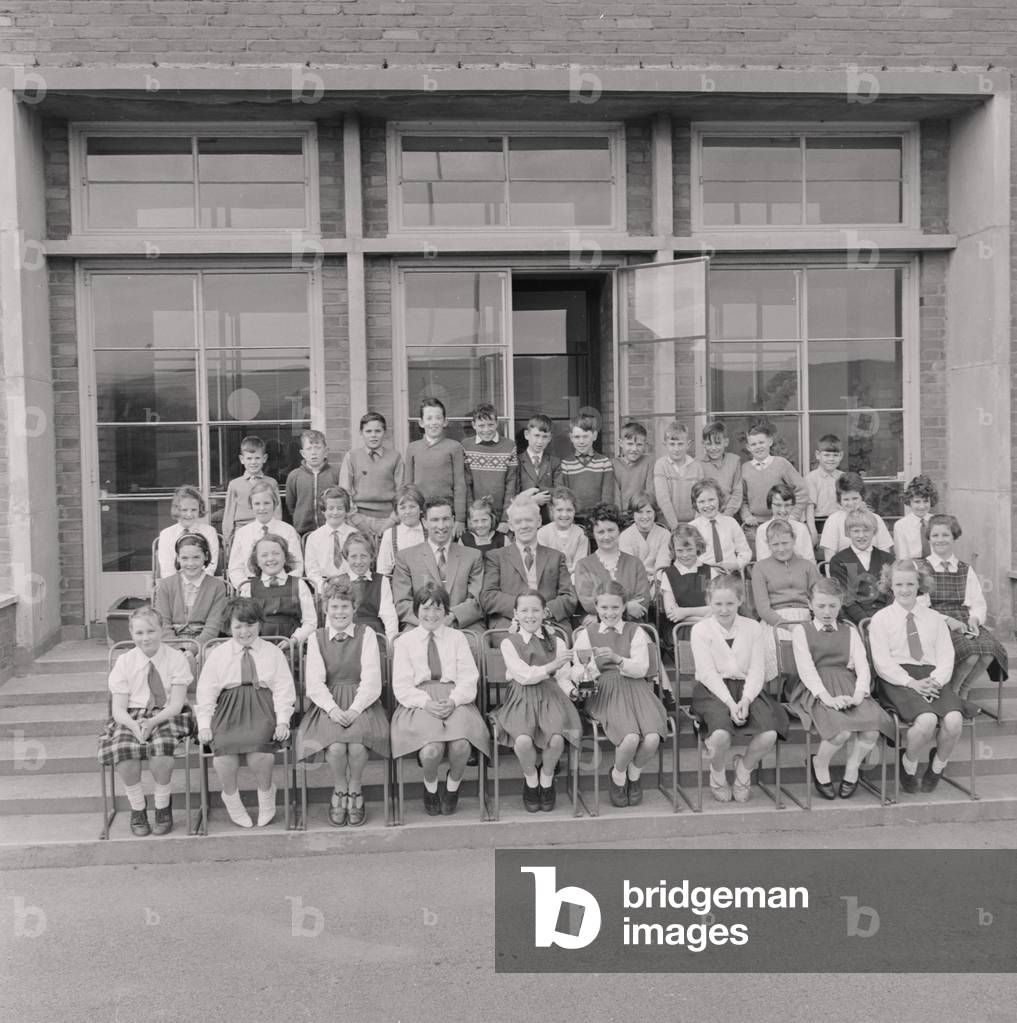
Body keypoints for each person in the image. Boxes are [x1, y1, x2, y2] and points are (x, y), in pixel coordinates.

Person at [868, 559, 976, 794]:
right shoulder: (881, 619)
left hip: (932, 677)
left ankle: (937, 766)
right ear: (890, 586)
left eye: (910, 584)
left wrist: (935, 680)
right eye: (899, 584)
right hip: (898, 678)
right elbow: (882, 662)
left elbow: (946, 656)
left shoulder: (934, 619)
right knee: (926, 721)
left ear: (920, 586)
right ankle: (909, 763)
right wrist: (912, 683)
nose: (905, 589)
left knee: (954, 720)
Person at [390, 582, 491, 816]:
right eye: (425, 608)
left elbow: (468, 677)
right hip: (419, 700)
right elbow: (402, 686)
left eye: (437, 608)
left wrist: (454, 700)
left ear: (446, 611)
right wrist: (426, 702)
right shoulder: (405, 641)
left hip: (454, 697)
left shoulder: (457, 638)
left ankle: (453, 787)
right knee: (431, 750)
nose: (431, 614)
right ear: (417, 611)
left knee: (461, 746)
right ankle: (431, 788)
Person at [787, 578, 893, 799]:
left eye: (833, 606)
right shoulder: (801, 631)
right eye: (821, 606)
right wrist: (827, 698)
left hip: (847, 684)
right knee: (841, 731)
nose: (827, 612)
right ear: (810, 604)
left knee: (871, 728)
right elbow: (806, 670)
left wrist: (858, 694)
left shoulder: (849, 631)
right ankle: (820, 762)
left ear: (840, 603)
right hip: (815, 687)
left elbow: (862, 666)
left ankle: (852, 766)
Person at [295, 580, 390, 827]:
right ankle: (339, 789)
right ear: (326, 608)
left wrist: (356, 709)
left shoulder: (366, 634)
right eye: (335, 606)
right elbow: (314, 682)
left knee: (357, 747)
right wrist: (333, 709)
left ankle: (356, 788)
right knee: (336, 747)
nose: (339, 612)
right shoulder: (317, 638)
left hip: (362, 700)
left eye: (345, 607)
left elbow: (371, 678)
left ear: (354, 608)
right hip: (328, 703)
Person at [195, 598, 296, 828]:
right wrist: (204, 725)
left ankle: (266, 793)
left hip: (262, 705)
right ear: (229, 628)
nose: (244, 631)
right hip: (228, 708)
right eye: (238, 626)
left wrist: (282, 721)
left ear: (259, 624)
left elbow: (283, 689)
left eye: (249, 625)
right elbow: (207, 692)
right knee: (223, 754)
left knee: (260, 752)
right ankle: (231, 798)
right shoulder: (219, 654)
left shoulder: (273, 653)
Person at [690, 575, 790, 803]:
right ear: (709, 601)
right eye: (717, 604)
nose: (724, 610)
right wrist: (730, 703)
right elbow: (707, 673)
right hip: (712, 690)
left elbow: (757, 670)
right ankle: (717, 773)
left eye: (729, 603)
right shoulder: (700, 630)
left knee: (769, 733)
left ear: (740, 601)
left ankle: (744, 769)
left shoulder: (753, 627)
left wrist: (745, 700)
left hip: (747, 688)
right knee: (720, 735)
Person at [97, 607, 195, 836]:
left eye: (151, 631)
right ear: (131, 634)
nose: (146, 637)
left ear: (161, 630)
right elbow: (118, 709)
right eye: (139, 632)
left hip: (168, 713)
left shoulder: (176, 658)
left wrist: (152, 723)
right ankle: (138, 808)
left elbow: (177, 704)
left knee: (161, 751)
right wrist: (134, 725)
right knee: (123, 750)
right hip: (132, 715)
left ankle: (162, 806)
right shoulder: (125, 661)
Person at [572, 581, 667, 808]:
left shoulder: (636, 632)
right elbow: (576, 668)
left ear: (624, 607)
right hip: (606, 689)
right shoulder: (588, 633)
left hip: (636, 686)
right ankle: (617, 776)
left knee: (652, 737)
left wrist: (617, 659)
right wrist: (589, 670)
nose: (610, 613)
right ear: (596, 607)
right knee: (631, 738)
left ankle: (633, 774)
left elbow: (642, 668)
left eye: (615, 607)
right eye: (604, 608)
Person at [490, 590, 581, 813]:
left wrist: (572, 692)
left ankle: (546, 779)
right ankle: (531, 780)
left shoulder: (557, 641)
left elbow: (563, 676)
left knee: (557, 739)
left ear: (544, 612)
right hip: (521, 695)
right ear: (515, 614)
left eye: (535, 610)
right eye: (524, 610)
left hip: (550, 696)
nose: (530, 615)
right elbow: (523, 675)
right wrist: (552, 666)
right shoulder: (509, 643)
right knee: (522, 740)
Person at [923, 514, 1008, 697]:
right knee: (971, 654)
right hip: (936, 621)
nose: (940, 540)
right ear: (929, 538)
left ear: (954, 537)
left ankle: (964, 689)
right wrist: (948, 620)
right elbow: (921, 607)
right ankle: (953, 692)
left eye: (945, 535)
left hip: (964, 619)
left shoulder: (964, 569)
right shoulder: (923, 568)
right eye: (935, 535)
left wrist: (975, 619)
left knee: (988, 651)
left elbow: (978, 602)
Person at [481, 498, 578, 634]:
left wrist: (544, 611)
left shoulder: (556, 557)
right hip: (509, 625)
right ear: (510, 525)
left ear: (538, 521)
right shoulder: (496, 557)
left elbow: (569, 597)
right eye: (518, 521)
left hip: (549, 623)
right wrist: (524, 611)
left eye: (529, 520)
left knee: (557, 646)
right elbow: (488, 597)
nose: (524, 525)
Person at [391, 497, 485, 634]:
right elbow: (402, 602)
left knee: (474, 646)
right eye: (435, 520)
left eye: (445, 519)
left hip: (462, 625)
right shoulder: (406, 557)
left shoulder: (473, 556)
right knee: (411, 647)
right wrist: (429, 621)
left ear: (453, 521)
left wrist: (452, 617)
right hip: (420, 624)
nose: (441, 526)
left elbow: (477, 599)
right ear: (424, 522)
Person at [751, 518, 821, 679]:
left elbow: (818, 599)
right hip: (775, 621)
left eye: (785, 543)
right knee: (781, 644)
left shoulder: (807, 566)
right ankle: (785, 690)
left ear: (794, 540)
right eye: (775, 545)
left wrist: (811, 624)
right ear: (768, 545)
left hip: (806, 618)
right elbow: (763, 609)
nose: (781, 549)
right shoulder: (760, 568)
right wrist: (788, 626)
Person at [574, 503, 651, 621]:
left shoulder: (635, 563)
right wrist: (627, 607)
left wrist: (600, 615)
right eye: (600, 532)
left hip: (632, 626)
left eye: (611, 530)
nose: (606, 536)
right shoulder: (583, 565)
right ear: (593, 534)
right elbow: (588, 603)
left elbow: (642, 601)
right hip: (598, 629)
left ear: (619, 530)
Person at [404, 396, 467, 537]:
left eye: (438, 418)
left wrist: (460, 519)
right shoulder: (412, 448)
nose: (434, 423)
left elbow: (459, 485)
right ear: (421, 422)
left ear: (445, 422)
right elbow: (408, 486)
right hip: (420, 513)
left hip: (445, 512)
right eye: (429, 418)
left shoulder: (454, 447)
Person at [238, 534, 317, 644]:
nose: (270, 558)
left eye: (276, 553)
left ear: (285, 557)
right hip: (259, 646)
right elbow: (243, 622)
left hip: (292, 648)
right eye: (264, 555)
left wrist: (294, 640)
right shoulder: (249, 588)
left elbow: (310, 622)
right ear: (256, 560)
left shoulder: (298, 584)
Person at [338, 411, 405, 538]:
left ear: (384, 432)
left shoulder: (395, 457)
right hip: (358, 518)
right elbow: (344, 494)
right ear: (361, 433)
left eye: (377, 431)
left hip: (389, 518)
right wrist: (359, 523)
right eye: (368, 431)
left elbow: (402, 494)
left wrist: (391, 522)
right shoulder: (352, 457)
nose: (373, 435)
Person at [154, 533, 228, 645]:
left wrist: (192, 651)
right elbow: (163, 623)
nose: (191, 563)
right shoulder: (165, 585)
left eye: (196, 557)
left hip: (206, 645)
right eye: (184, 558)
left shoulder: (217, 586)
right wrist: (179, 649)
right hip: (170, 644)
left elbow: (213, 627)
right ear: (178, 558)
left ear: (206, 556)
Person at [227, 480, 303, 589]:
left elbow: (297, 565)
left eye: (266, 503)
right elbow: (235, 568)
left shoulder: (288, 530)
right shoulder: (242, 533)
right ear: (251, 506)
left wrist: (285, 586)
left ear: (275, 504)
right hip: (251, 587)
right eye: (257, 504)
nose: (262, 508)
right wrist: (246, 587)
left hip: (283, 587)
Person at [739, 421, 807, 538]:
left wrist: (793, 515)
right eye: (754, 444)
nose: (758, 447)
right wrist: (746, 516)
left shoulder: (781, 464)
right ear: (748, 447)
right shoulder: (744, 469)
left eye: (761, 442)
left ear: (770, 441)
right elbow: (742, 499)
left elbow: (802, 490)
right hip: (755, 524)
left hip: (782, 520)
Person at [828, 509, 894, 625]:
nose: (861, 535)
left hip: (887, 618)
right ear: (848, 533)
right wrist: (866, 623)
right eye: (856, 531)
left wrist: (886, 618)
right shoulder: (839, 561)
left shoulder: (887, 559)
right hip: (854, 620)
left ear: (874, 531)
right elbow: (846, 598)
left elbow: (892, 594)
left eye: (866, 530)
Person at [333, 532, 399, 644]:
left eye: (363, 556)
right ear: (346, 557)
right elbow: (332, 617)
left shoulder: (381, 581)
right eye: (353, 556)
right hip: (346, 635)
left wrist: (391, 643)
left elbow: (389, 617)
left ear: (372, 556)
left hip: (374, 635)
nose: (359, 561)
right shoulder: (339, 582)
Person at [819, 472, 894, 562]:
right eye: (846, 499)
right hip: (845, 570)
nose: (851, 503)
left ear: (862, 497)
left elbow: (884, 551)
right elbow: (829, 557)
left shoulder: (875, 519)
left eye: (855, 498)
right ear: (839, 500)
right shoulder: (833, 521)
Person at [463, 402, 517, 528]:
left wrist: (506, 518)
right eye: (481, 425)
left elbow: (512, 484)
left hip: (501, 516)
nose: (486, 430)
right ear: (473, 425)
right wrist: (471, 516)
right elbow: (466, 484)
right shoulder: (466, 446)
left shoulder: (509, 446)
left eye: (490, 424)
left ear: (497, 423)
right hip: (477, 518)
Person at [560, 412, 614, 530]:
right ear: (571, 437)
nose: (581, 441)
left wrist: (602, 519)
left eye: (585, 436)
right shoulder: (566, 464)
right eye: (577, 437)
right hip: (574, 520)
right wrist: (571, 520)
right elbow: (565, 496)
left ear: (594, 435)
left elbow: (607, 496)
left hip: (598, 520)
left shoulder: (604, 462)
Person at [154, 484, 220, 582]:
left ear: (199, 510)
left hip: (203, 584)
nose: (189, 514)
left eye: (194, 510)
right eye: (184, 510)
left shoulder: (209, 532)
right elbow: (167, 569)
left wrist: (195, 584)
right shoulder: (166, 534)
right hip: (174, 586)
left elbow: (211, 565)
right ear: (177, 510)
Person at [221, 435, 279, 545]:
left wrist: (276, 532)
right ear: (242, 459)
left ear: (264, 458)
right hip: (242, 530)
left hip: (266, 529)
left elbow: (277, 510)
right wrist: (227, 539)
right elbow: (229, 513)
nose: (253, 462)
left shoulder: (271, 483)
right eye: (249, 458)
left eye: (257, 458)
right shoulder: (235, 484)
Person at [285, 428, 341, 538]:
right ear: (303, 453)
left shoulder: (335, 474)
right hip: (303, 532)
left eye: (317, 448)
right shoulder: (294, 476)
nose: (313, 452)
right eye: (309, 448)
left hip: (330, 529)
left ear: (325, 451)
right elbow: (291, 505)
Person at [689, 478, 751, 574]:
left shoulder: (731, 523)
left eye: (711, 500)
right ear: (695, 504)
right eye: (702, 502)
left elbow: (745, 551)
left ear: (719, 499)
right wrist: (708, 569)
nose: (707, 505)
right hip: (703, 575)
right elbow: (689, 557)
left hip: (731, 573)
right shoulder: (692, 528)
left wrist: (737, 565)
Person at [302, 486, 359, 590]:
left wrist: (349, 585)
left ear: (346, 510)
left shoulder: (355, 534)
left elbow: (359, 565)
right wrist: (323, 588)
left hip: (351, 586)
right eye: (330, 508)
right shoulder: (313, 538)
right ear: (323, 511)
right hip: (324, 587)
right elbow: (312, 570)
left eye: (340, 508)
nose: (335, 512)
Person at [653, 420, 705, 529]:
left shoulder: (697, 467)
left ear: (688, 444)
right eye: (672, 444)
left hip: (694, 524)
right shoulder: (661, 465)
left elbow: (700, 498)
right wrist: (675, 527)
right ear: (665, 445)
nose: (676, 449)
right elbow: (663, 500)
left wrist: (696, 526)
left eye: (680, 444)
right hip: (668, 525)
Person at [514, 413, 562, 525]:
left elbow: (559, 492)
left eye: (545, 437)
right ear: (527, 434)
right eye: (536, 435)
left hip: (548, 520)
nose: (540, 441)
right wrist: (531, 500)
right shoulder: (517, 461)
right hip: (523, 519)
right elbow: (513, 493)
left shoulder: (555, 462)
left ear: (550, 438)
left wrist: (541, 494)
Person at [660, 524, 712, 628]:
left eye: (689, 549)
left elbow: (716, 607)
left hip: (710, 625)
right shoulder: (669, 574)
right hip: (682, 627)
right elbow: (672, 613)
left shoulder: (709, 571)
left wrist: (684, 612)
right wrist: (702, 621)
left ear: (697, 546)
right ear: (673, 550)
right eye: (680, 550)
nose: (685, 555)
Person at [536, 486, 589, 579]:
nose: (564, 515)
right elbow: (542, 563)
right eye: (559, 510)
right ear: (552, 510)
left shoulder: (580, 534)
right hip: (549, 579)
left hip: (573, 578)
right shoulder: (542, 533)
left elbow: (580, 563)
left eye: (569, 510)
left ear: (575, 510)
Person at [619, 491, 671, 583]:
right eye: (640, 512)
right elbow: (629, 568)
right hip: (634, 581)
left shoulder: (665, 534)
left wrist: (655, 584)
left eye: (649, 511)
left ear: (655, 513)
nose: (645, 516)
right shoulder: (625, 536)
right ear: (632, 514)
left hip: (658, 581)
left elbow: (663, 564)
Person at [755, 483, 815, 562]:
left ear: (793, 506)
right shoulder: (762, 530)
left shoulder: (801, 529)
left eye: (787, 505)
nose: (783, 510)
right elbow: (763, 561)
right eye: (778, 505)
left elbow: (809, 560)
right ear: (770, 505)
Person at [376, 484, 426, 577]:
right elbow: (383, 571)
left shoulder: (429, 533)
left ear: (421, 509)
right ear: (396, 512)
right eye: (403, 508)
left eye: (412, 506)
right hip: (399, 588)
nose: (408, 511)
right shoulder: (390, 535)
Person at [804, 434, 844, 545]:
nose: (831, 459)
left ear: (841, 456)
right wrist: (813, 532)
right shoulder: (811, 478)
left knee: (844, 554)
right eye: (826, 455)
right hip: (820, 522)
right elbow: (809, 507)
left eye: (835, 455)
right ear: (818, 455)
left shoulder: (843, 477)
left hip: (841, 521)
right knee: (824, 553)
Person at [698, 420, 743, 519]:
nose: (713, 448)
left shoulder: (734, 461)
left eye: (718, 443)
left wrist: (726, 515)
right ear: (703, 444)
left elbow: (737, 493)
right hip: (705, 516)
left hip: (729, 516)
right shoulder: (698, 464)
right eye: (709, 444)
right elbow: (698, 495)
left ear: (726, 442)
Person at [892, 473, 938, 559]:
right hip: (912, 568)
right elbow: (902, 558)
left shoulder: (937, 521)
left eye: (926, 501)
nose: (922, 506)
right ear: (909, 501)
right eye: (917, 501)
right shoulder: (901, 526)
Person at [613, 420, 653, 512]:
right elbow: (615, 497)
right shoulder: (614, 465)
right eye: (630, 444)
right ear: (620, 443)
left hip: (642, 513)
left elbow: (650, 493)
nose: (634, 449)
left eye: (639, 444)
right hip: (621, 515)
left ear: (645, 445)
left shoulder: (649, 462)